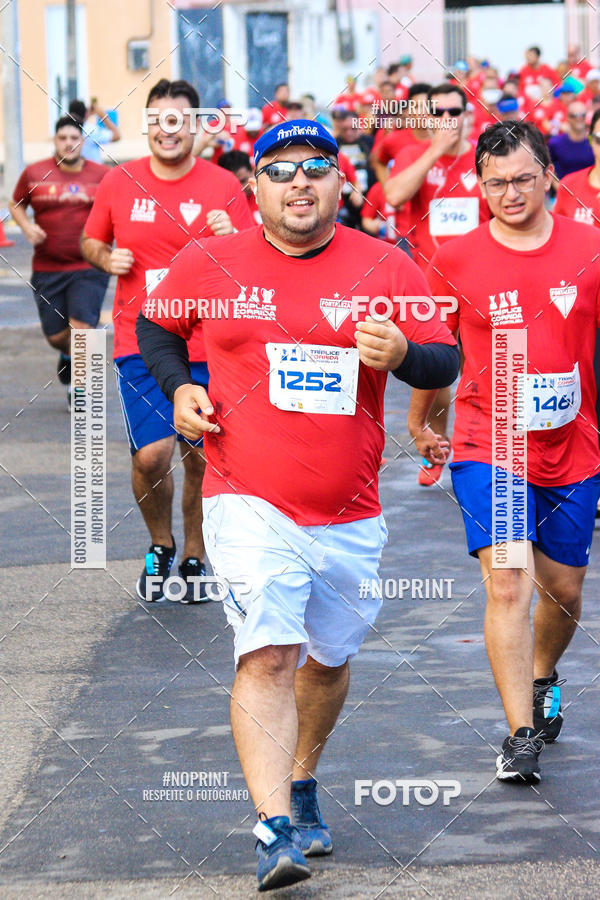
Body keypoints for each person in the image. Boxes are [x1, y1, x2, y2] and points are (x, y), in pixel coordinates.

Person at [136, 119, 459, 890]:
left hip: (349, 510)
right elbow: (156, 326)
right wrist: (180, 385)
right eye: (280, 171)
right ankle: (273, 828)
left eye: (316, 167)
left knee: (326, 658)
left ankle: (305, 778)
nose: (299, 183)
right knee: (270, 652)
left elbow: (445, 354)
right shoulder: (210, 259)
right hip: (246, 499)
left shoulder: (386, 263)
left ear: (341, 183)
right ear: (255, 188)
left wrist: (405, 356)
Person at [408, 120, 600, 784]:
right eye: (495, 184)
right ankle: (520, 733)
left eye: (521, 179)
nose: (509, 193)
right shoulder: (456, 257)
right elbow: (438, 351)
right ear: (480, 186)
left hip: (572, 444)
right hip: (490, 442)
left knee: (566, 590)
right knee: (510, 579)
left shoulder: (591, 248)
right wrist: (419, 423)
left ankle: (543, 673)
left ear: (550, 175)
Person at [81, 79, 253, 604]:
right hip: (143, 342)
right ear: (148, 125)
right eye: (158, 119)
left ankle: (195, 553)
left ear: (197, 126)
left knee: (200, 456)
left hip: (211, 343)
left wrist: (233, 238)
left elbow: (256, 262)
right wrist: (106, 259)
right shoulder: (119, 180)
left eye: (179, 119)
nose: (168, 129)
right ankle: (161, 543)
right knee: (152, 457)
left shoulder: (224, 184)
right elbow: (91, 240)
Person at [385, 83, 490, 487]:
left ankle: (482, 451)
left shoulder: (481, 157)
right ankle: (432, 440)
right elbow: (393, 194)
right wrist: (433, 151)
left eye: (454, 111)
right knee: (438, 378)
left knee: (482, 370)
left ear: (466, 113)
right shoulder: (414, 155)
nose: (448, 120)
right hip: (430, 284)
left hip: (480, 280)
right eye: (439, 113)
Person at [9, 115, 110, 408]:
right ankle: (66, 354)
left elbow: (116, 209)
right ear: (55, 141)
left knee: (82, 330)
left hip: (89, 267)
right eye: (62, 138)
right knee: (56, 336)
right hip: (48, 269)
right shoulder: (35, 173)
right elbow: (15, 203)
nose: (68, 143)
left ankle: (79, 392)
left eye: (74, 138)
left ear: (83, 141)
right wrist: (27, 228)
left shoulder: (102, 175)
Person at [548, 100, 595, 180]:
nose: (579, 119)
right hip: (563, 190)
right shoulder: (555, 143)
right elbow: (546, 167)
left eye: (582, 115)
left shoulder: (595, 143)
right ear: (567, 118)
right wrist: (558, 187)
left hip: (589, 190)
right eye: (574, 115)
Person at [68, 98, 121, 163]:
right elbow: (117, 136)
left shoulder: (66, 129)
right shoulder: (91, 130)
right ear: (86, 113)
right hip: (93, 169)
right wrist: (102, 114)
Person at [217, 149, 262, 223]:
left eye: (243, 181)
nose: (241, 188)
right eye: (234, 183)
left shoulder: (266, 197)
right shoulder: (221, 209)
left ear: (253, 172)